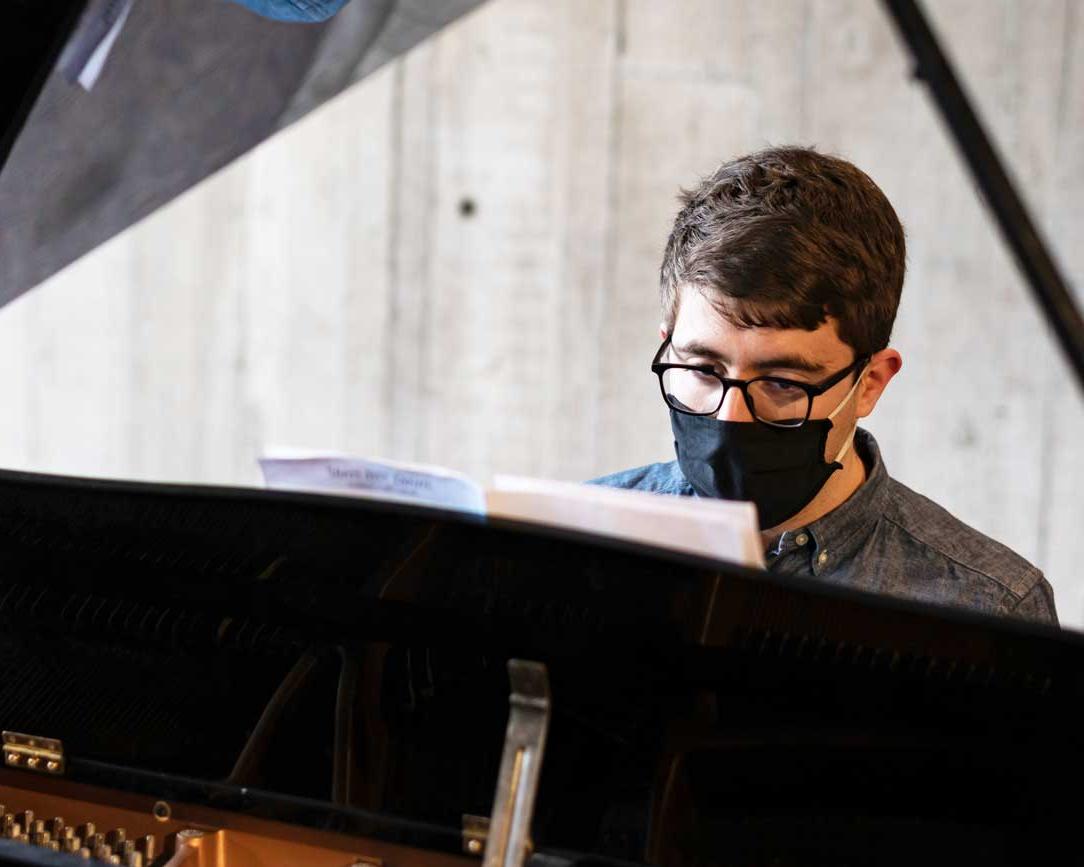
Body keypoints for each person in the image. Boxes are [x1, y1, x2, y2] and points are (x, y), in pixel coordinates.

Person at [590, 147, 1057, 626]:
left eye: (782, 382)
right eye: (704, 371)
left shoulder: (988, 607)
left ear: (871, 383)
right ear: (668, 346)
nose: (730, 416)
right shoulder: (576, 544)